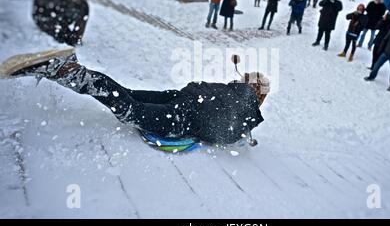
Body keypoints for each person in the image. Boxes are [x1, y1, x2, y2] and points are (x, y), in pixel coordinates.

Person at [0, 50, 269, 147]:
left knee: (126, 93)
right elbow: (222, 134)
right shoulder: (247, 114)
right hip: (185, 117)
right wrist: (243, 135)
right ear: (260, 96)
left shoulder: (234, 91)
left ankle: (72, 71)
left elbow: (223, 102)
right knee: (129, 108)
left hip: (183, 97)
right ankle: (67, 71)